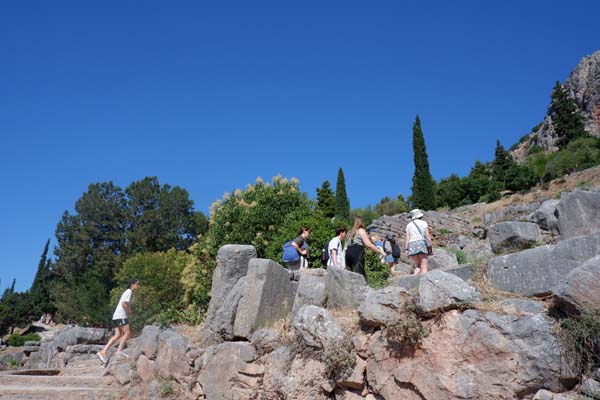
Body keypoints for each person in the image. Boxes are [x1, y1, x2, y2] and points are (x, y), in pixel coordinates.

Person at [97, 278, 141, 364]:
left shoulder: (127, 292)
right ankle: (119, 352)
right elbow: (124, 303)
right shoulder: (129, 292)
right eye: (137, 284)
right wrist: (129, 311)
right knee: (127, 333)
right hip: (121, 316)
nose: (138, 286)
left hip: (116, 316)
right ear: (132, 285)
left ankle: (102, 352)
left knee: (118, 335)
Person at [404, 209, 433, 275]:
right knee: (424, 266)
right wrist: (430, 248)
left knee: (418, 265)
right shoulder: (423, 223)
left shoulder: (408, 225)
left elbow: (407, 238)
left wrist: (406, 249)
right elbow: (427, 235)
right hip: (421, 243)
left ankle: (414, 276)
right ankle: (424, 283)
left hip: (411, 245)